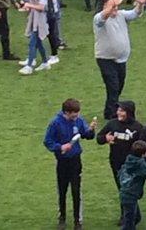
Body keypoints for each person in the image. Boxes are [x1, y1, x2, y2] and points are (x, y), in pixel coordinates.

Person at [43, 98, 97, 230]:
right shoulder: (55, 123)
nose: (76, 117)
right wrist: (60, 147)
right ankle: (62, 218)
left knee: (76, 190)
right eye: (74, 114)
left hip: (75, 161)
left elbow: (85, 135)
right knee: (62, 190)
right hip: (62, 162)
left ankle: (77, 221)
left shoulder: (78, 121)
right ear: (66, 112)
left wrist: (91, 130)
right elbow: (47, 141)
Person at [93, 0, 139, 117]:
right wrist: (112, 5)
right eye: (111, 6)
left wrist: (140, 4)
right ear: (104, 6)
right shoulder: (98, 18)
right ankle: (111, 113)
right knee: (113, 85)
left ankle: (112, 107)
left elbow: (135, 13)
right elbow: (102, 18)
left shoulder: (121, 15)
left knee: (119, 84)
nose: (115, 8)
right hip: (105, 58)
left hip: (121, 58)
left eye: (116, 6)